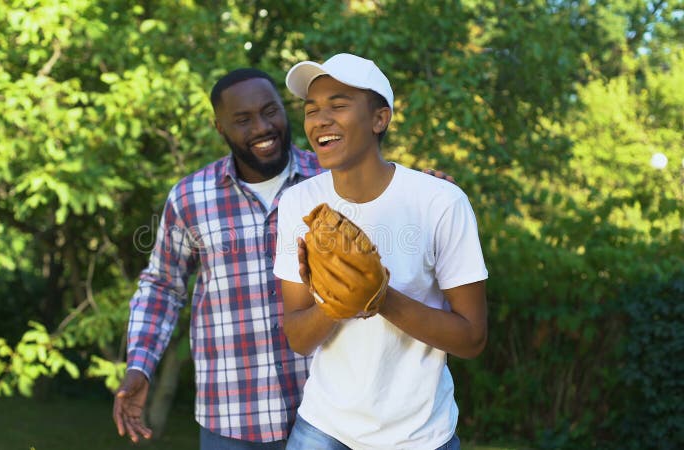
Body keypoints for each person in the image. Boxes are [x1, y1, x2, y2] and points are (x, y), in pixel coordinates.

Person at [112, 67, 457, 449]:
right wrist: (139, 366)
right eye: (242, 120)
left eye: (271, 111)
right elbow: (162, 287)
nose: (262, 127)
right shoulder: (190, 198)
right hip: (232, 414)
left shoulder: (332, 173)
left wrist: (429, 194)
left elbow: (388, 206)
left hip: (328, 416)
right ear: (220, 127)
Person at [273, 53, 488, 450]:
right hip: (323, 429)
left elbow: (472, 339)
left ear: (379, 119)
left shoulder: (440, 202)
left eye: (338, 105)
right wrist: (335, 303)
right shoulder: (298, 203)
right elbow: (298, 338)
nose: (320, 119)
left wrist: (379, 297)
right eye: (312, 109)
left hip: (419, 437)